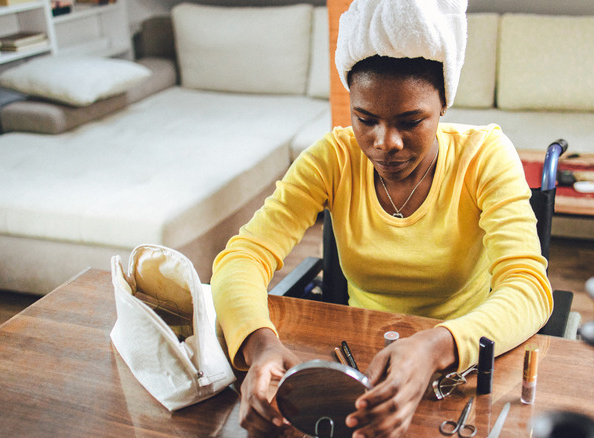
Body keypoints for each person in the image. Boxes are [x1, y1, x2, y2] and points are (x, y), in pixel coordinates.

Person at [211, 0, 553, 436]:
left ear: (444, 103)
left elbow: (529, 288)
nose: (384, 143)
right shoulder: (332, 158)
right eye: (365, 118)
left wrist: (436, 345)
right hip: (357, 359)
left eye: (411, 121)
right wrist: (260, 345)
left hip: (458, 367)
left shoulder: (483, 158)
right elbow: (243, 257)